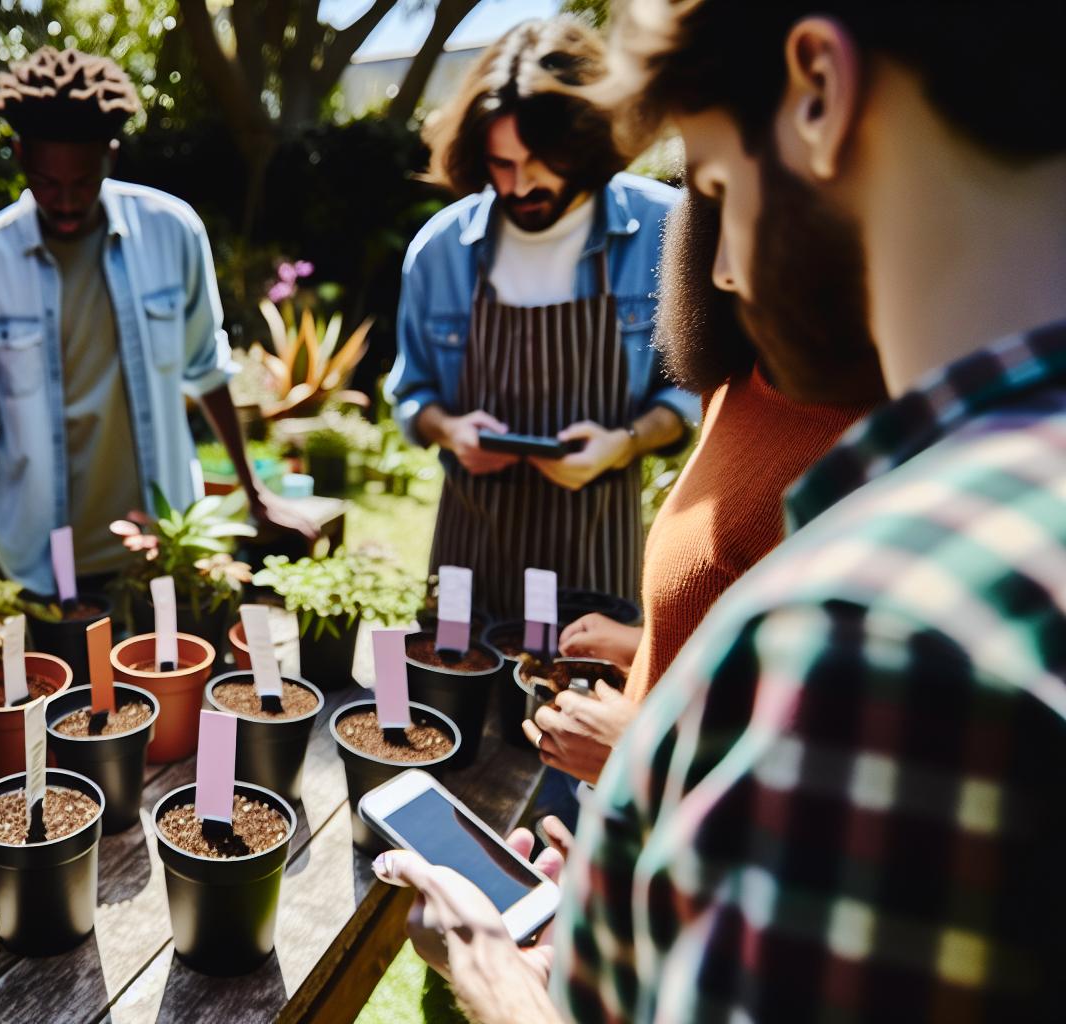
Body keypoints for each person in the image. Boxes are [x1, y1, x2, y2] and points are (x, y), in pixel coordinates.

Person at [387, 1, 1066, 1019]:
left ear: (820, 93)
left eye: (712, 182)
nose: (714, 267)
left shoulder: (878, 629)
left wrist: (492, 974)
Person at [533, 191, 882, 784]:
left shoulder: (877, 453)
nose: (722, 268)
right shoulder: (740, 385)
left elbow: (838, 770)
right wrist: (649, 644)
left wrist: (641, 757)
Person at [0, 47, 310, 597]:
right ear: (19, 156)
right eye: (47, 183)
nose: (66, 203)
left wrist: (255, 495)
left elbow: (207, 370)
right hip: (45, 558)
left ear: (110, 156)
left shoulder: (173, 232)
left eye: (83, 182)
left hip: (164, 544)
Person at [388, 17, 698, 620]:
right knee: (454, 680)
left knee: (580, 684)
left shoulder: (664, 231)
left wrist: (623, 443)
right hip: (470, 552)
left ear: (586, 143)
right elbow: (412, 392)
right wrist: (449, 430)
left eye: (540, 160)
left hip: (596, 554)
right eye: (501, 164)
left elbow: (691, 391)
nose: (521, 184)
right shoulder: (440, 251)